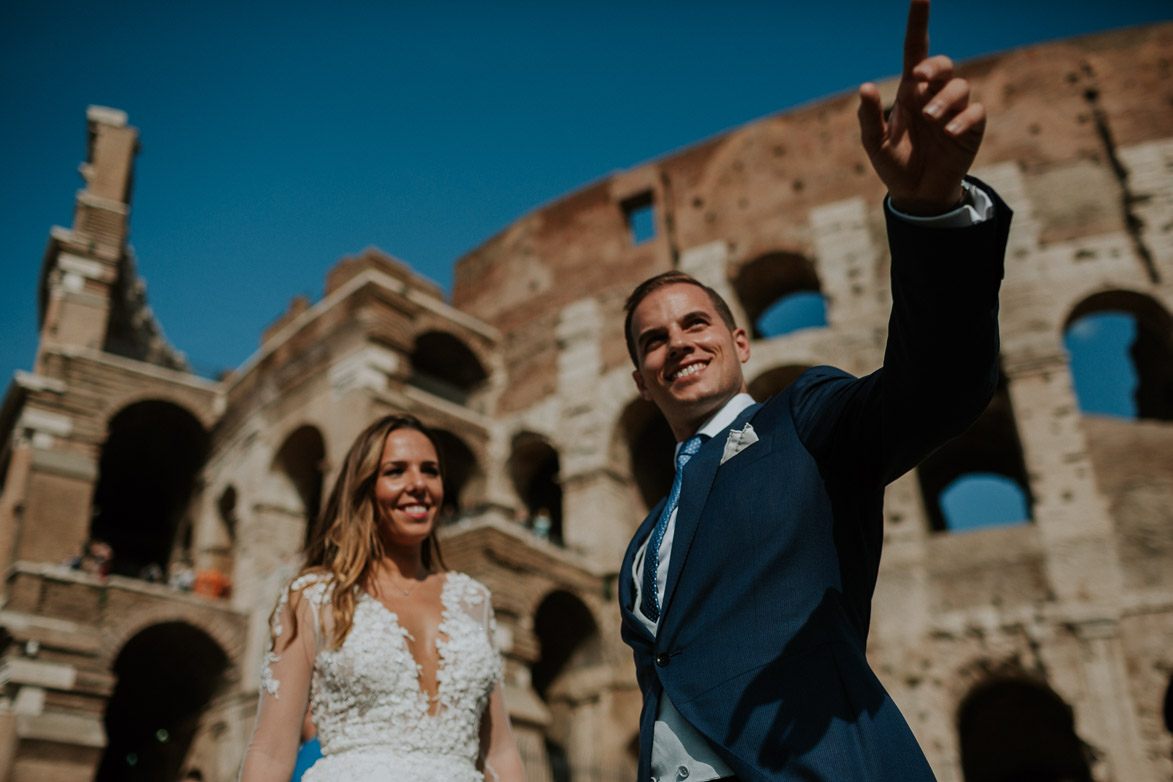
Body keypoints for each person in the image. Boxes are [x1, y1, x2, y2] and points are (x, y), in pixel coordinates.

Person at [618, 2, 1012, 780]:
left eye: (696, 324)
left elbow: (934, 390)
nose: (677, 345)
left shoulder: (801, 421)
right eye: (653, 339)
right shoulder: (644, 540)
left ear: (739, 343)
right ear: (639, 380)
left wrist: (931, 215)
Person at [240, 414, 525, 782]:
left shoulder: (474, 599)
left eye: (430, 470)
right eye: (396, 471)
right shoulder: (314, 597)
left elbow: (499, 750)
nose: (418, 483)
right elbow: (271, 752)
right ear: (364, 487)